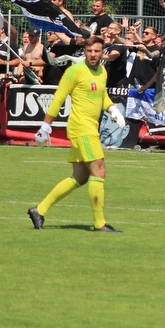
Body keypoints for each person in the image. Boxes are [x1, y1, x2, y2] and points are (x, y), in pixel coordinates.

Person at [28, 36, 126, 233]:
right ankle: (100, 224)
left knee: (80, 177)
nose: (93, 55)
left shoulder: (102, 71)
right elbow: (59, 97)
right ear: (85, 51)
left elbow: (102, 94)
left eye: (97, 51)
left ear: (102, 52)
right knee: (99, 172)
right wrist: (46, 125)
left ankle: (39, 210)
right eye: (89, 51)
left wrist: (113, 109)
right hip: (82, 128)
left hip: (91, 127)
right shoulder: (75, 71)